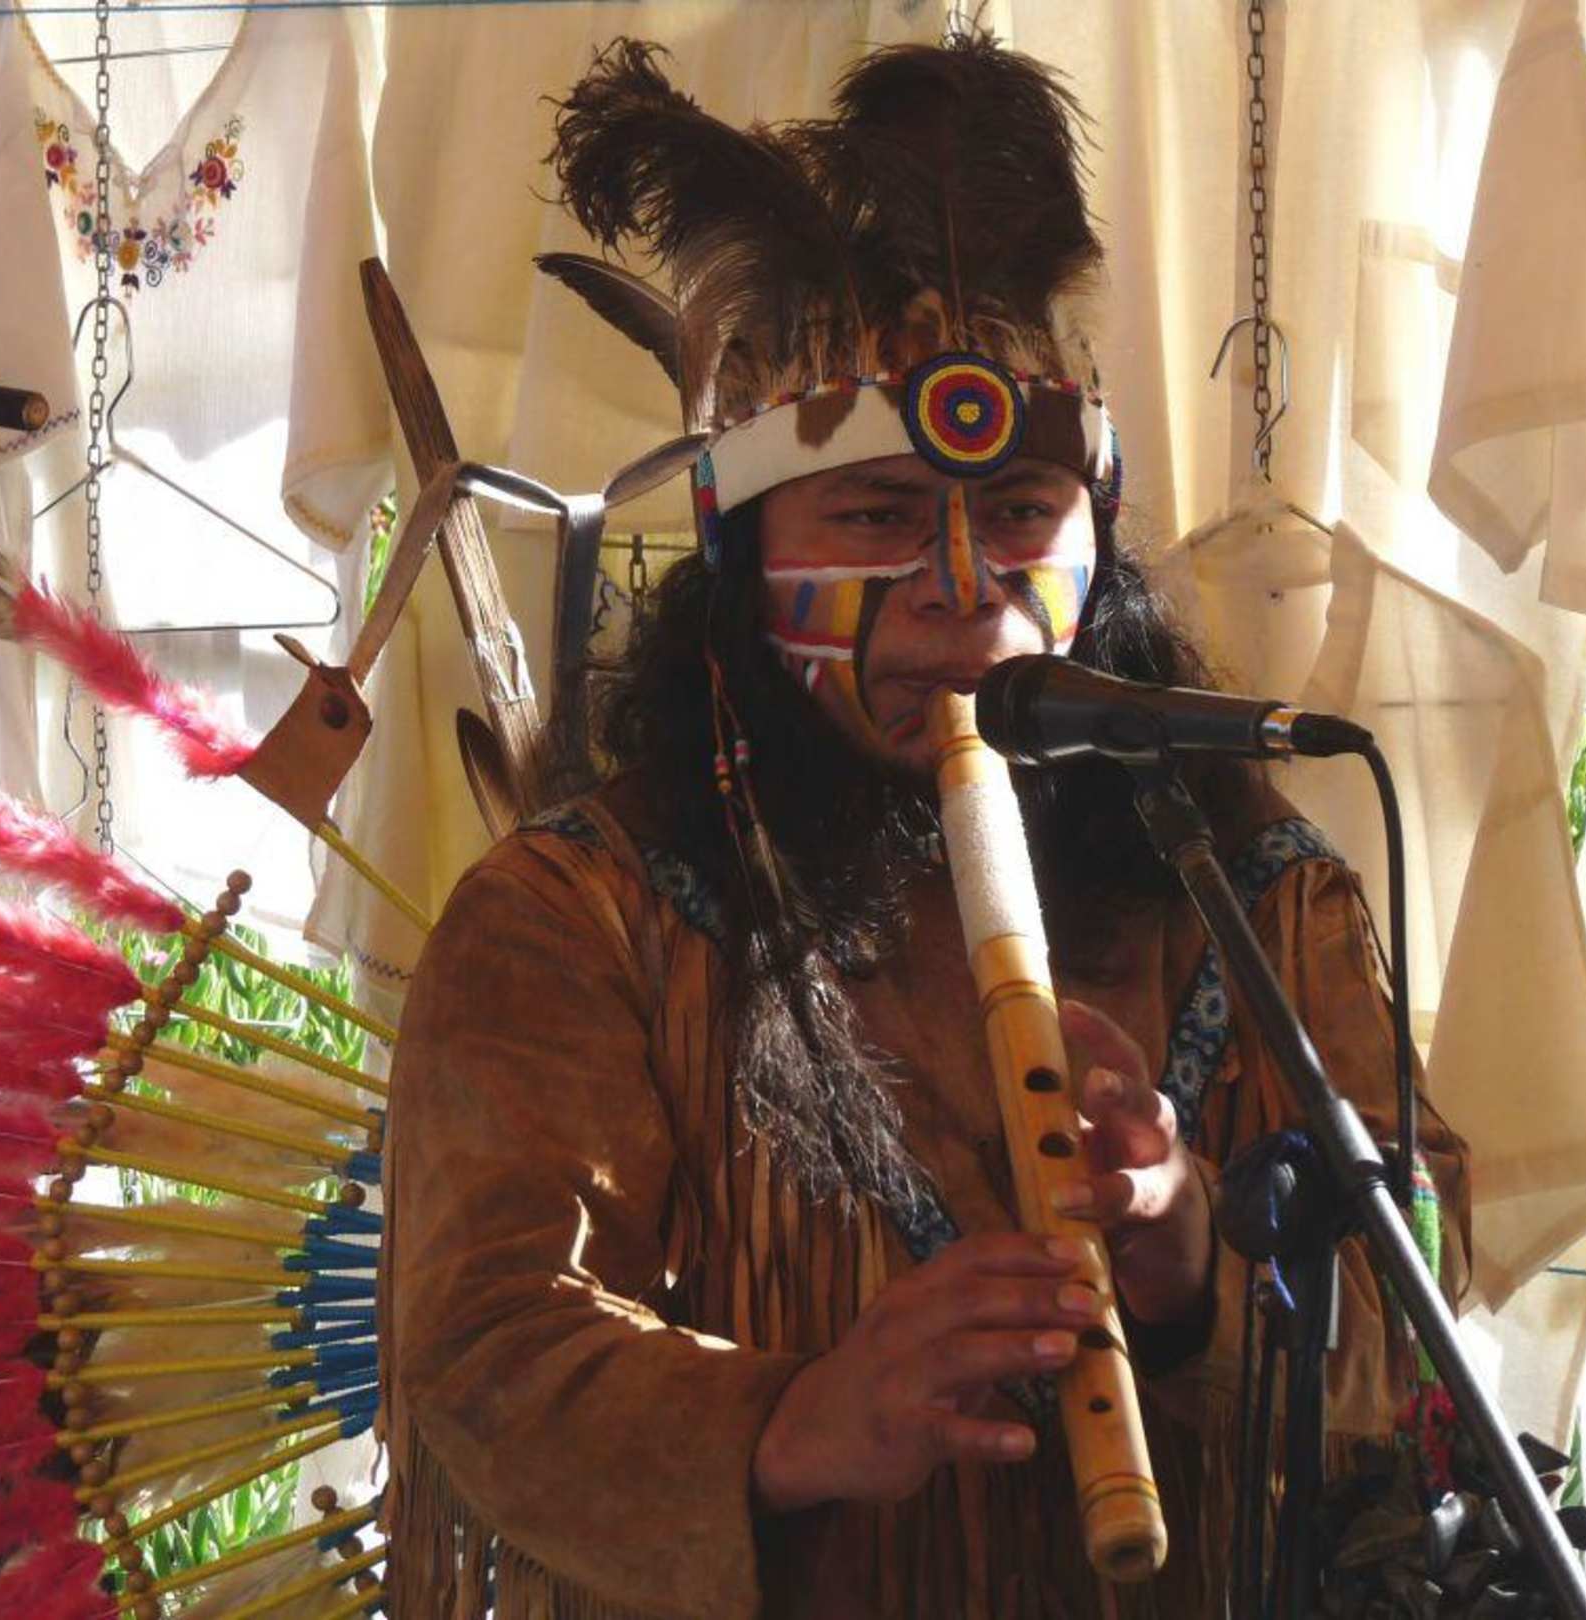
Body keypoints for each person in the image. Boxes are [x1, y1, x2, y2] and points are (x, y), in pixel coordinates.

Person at [378, 31, 1467, 1619]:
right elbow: (483, 1349)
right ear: (748, 564)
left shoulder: (1249, 889)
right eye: (877, 517)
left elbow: (1418, 1315)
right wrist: (795, 1422)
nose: (963, 589)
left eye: (1020, 515)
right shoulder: (574, 916)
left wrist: (1189, 1262)